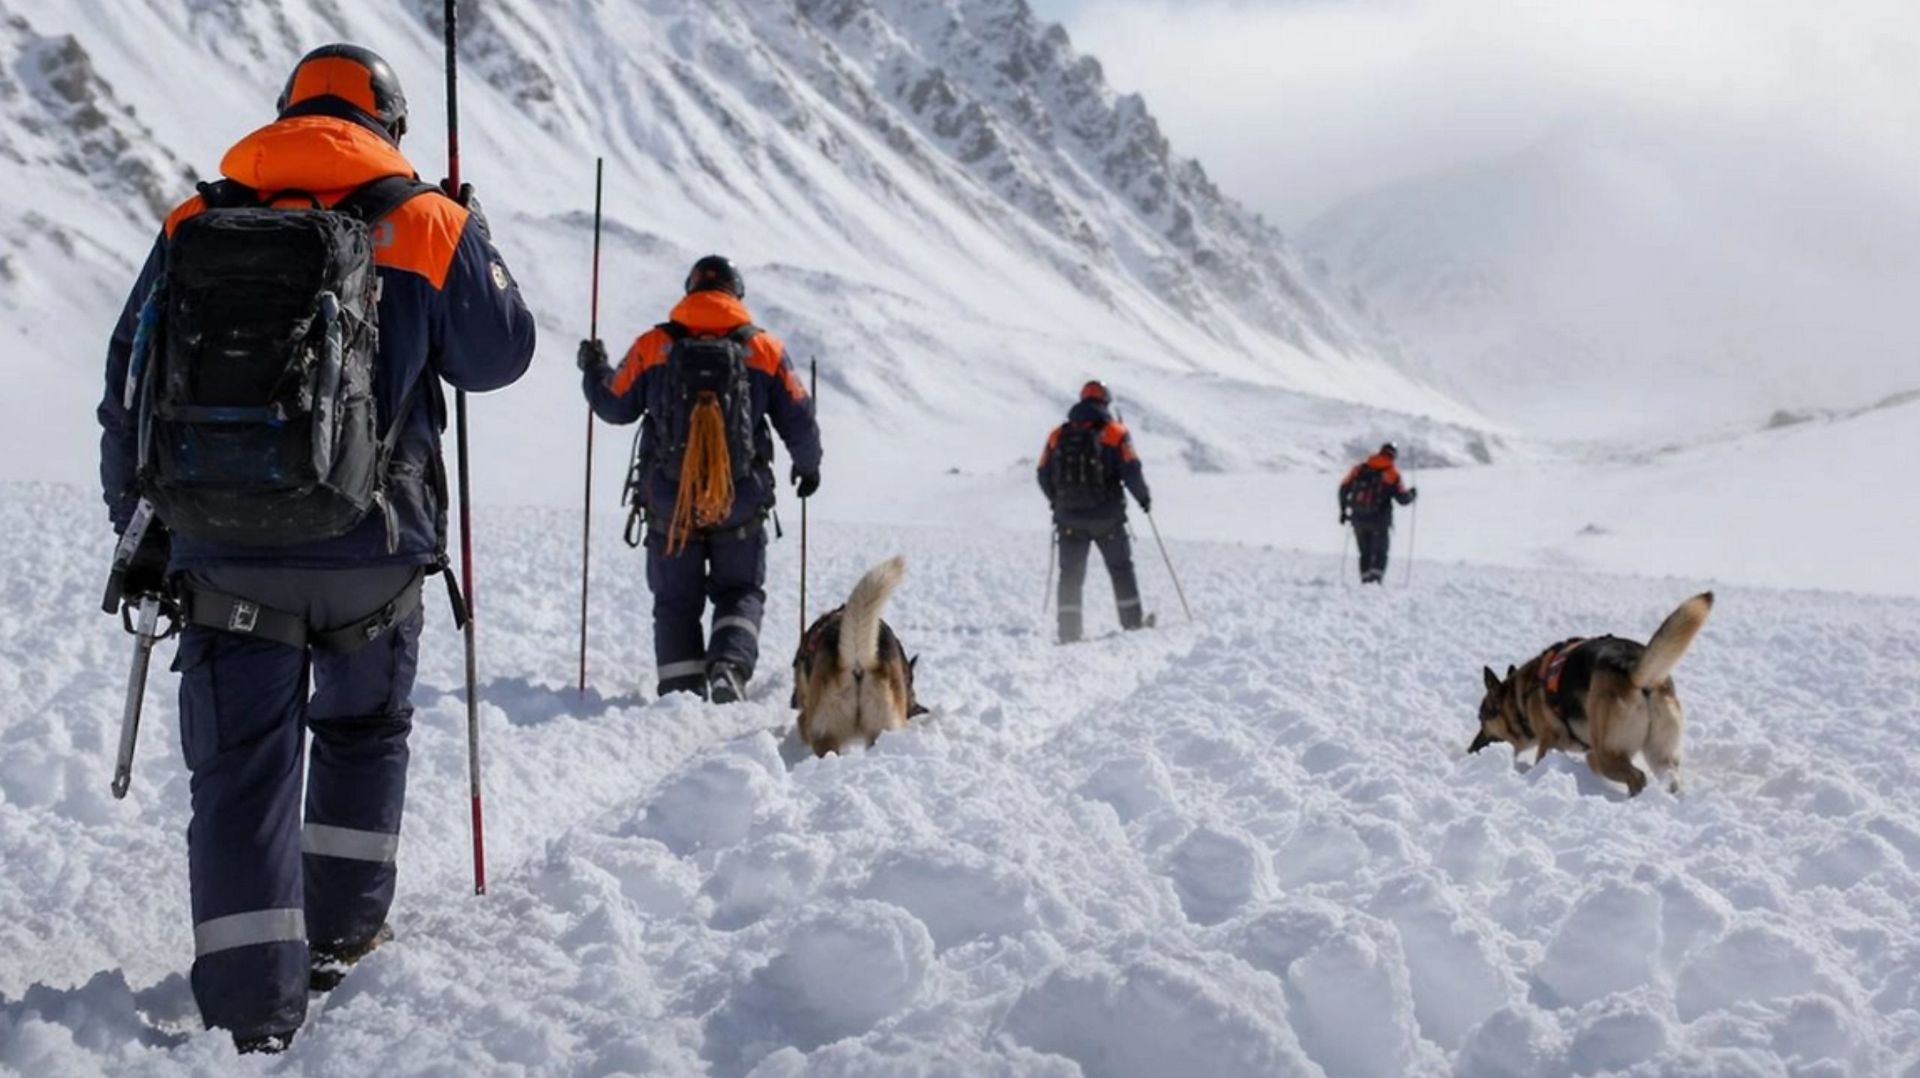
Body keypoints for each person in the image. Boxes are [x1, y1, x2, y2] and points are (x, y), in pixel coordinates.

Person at [95, 44, 536, 1053]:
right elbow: (500, 356)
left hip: (224, 554)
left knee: (242, 774)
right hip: (374, 557)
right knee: (362, 735)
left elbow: (129, 381)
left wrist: (141, 524)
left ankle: (250, 1011)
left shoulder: (197, 219)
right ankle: (339, 936)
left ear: (288, 111)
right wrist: (470, 226)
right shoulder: (426, 220)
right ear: (388, 121)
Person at [579, 255, 822, 702]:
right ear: (737, 295)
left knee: (675, 602)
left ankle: (680, 691)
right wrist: (808, 468)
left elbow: (615, 404)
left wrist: (593, 367)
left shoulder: (655, 345)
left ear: (690, 291)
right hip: (740, 501)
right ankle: (728, 666)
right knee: (741, 589)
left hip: (670, 503)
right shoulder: (764, 349)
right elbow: (800, 419)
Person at [1037, 380, 1152, 643]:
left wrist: (1057, 502)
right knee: (1121, 569)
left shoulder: (1058, 434)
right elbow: (1131, 469)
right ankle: (1132, 624)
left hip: (1069, 519)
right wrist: (1144, 499)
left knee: (1071, 575)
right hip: (1108, 518)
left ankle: (1068, 631)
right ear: (1105, 402)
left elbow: (1042, 474)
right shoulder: (1115, 432)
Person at [1339, 442, 1418, 584]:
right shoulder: (1392, 474)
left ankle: (1365, 581)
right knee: (1381, 553)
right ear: (1393, 456)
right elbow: (1402, 499)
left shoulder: (1359, 469)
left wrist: (1343, 511)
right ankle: (1375, 582)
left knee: (1365, 553)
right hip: (1380, 522)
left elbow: (1343, 489)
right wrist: (1412, 494)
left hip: (1358, 519)